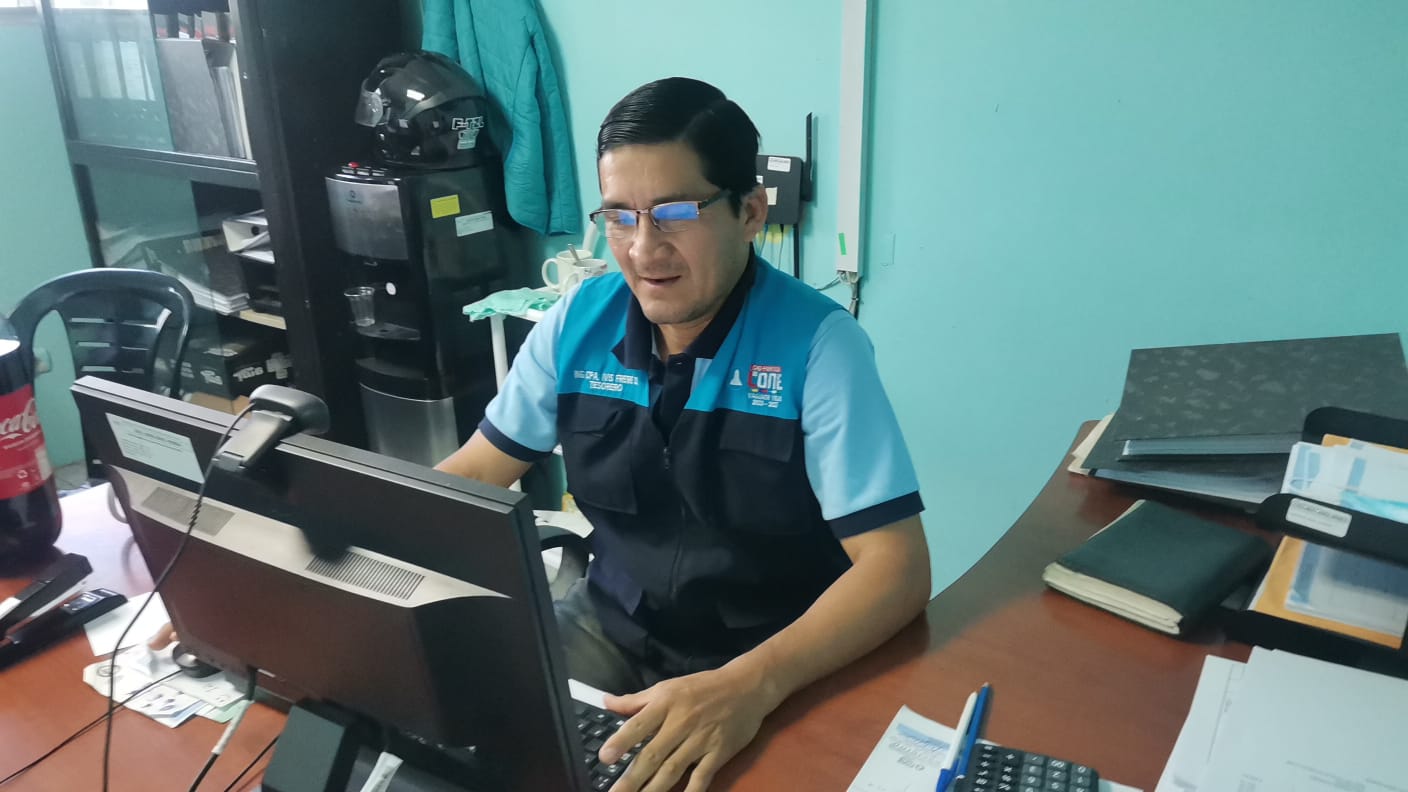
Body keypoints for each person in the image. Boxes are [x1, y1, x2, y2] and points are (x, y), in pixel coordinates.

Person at [435, 77, 930, 792]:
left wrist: (754, 683)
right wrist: (352, 531)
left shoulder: (819, 346)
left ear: (750, 211)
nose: (644, 249)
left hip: (773, 649)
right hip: (614, 622)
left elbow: (897, 568)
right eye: (619, 217)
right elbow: (476, 473)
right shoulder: (577, 323)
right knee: (465, 736)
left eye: (673, 213)